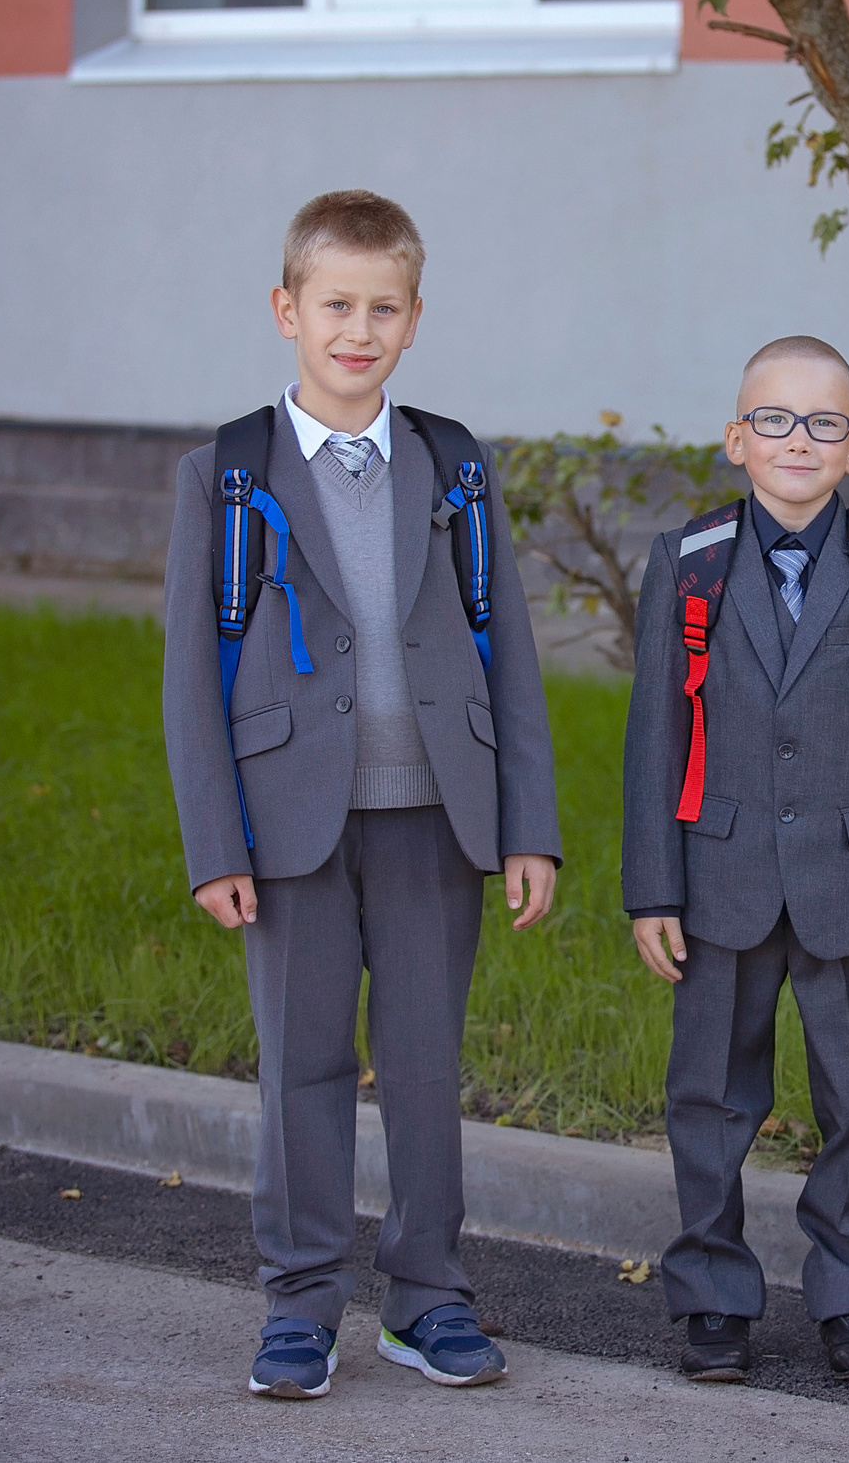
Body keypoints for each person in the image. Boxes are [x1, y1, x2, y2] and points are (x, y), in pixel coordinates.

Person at [161, 190, 561, 1399]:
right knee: (301, 1066)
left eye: (383, 308)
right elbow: (191, 674)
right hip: (287, 824)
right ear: (287, 311)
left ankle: (428, 1295)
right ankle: (301, 1301)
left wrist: (526, 823)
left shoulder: (451, 462)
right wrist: (211, 841)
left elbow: (510, 651)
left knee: (428, 1062)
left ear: (414, 319)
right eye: (335, 304)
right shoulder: (226, 471)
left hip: (437, 812)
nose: (358, 328)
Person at [620, 334, 849, 1384]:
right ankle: (715, 1298)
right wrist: (651, 888)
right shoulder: (690, 564)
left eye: (823, 423)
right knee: (711, 1097)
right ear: (736, 438)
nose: (797, 440)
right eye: (774, 418)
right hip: (717, 878)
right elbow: (653, 740)